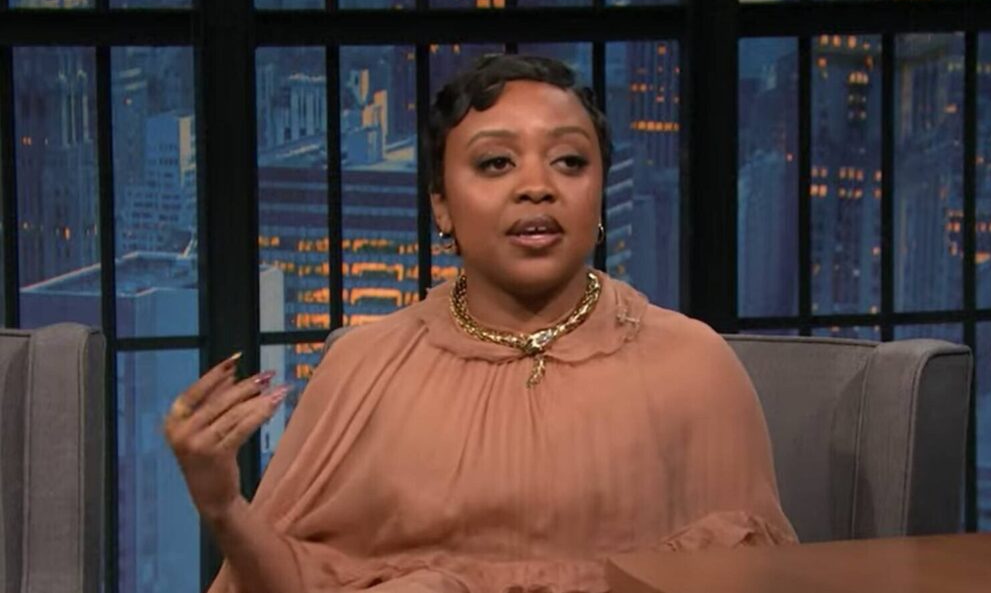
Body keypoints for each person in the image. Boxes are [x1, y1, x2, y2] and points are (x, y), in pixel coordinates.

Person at [165, 54, 796, 593]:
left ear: (601, 190)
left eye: (569, 162)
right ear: (441, 204)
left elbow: (755, 573)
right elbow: (298, 584)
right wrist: (223, 506)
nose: (537, 187)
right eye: (496, 163)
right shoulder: (365, 371)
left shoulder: (692, 368)